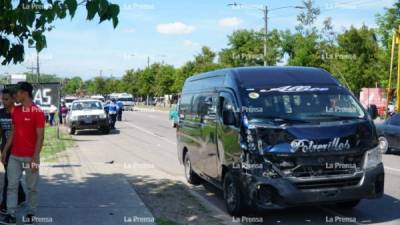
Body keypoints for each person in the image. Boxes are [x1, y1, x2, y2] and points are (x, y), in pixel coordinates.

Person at [0, 82, 45, 225]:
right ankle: (11, 214)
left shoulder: (37, 112)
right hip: (14, 156)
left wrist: (35, 158)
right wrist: (6, 150)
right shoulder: (16, 111)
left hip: (29, 157)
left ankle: (31, 214)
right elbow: (13, 131)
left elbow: (40, 137)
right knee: (11, 185)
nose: (14, 96)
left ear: (24, 93)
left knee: (31, 187)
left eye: (16, 93)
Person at [0, 89, 26, 216]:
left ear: (12, 99)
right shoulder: (0, 113)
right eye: (2, 99)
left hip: (17, 151)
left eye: (6, 99)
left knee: (9, 178)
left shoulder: (19, 113)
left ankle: (4, 205)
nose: (3, 101)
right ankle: (21, 197)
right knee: (11, 176)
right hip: (5, 149)